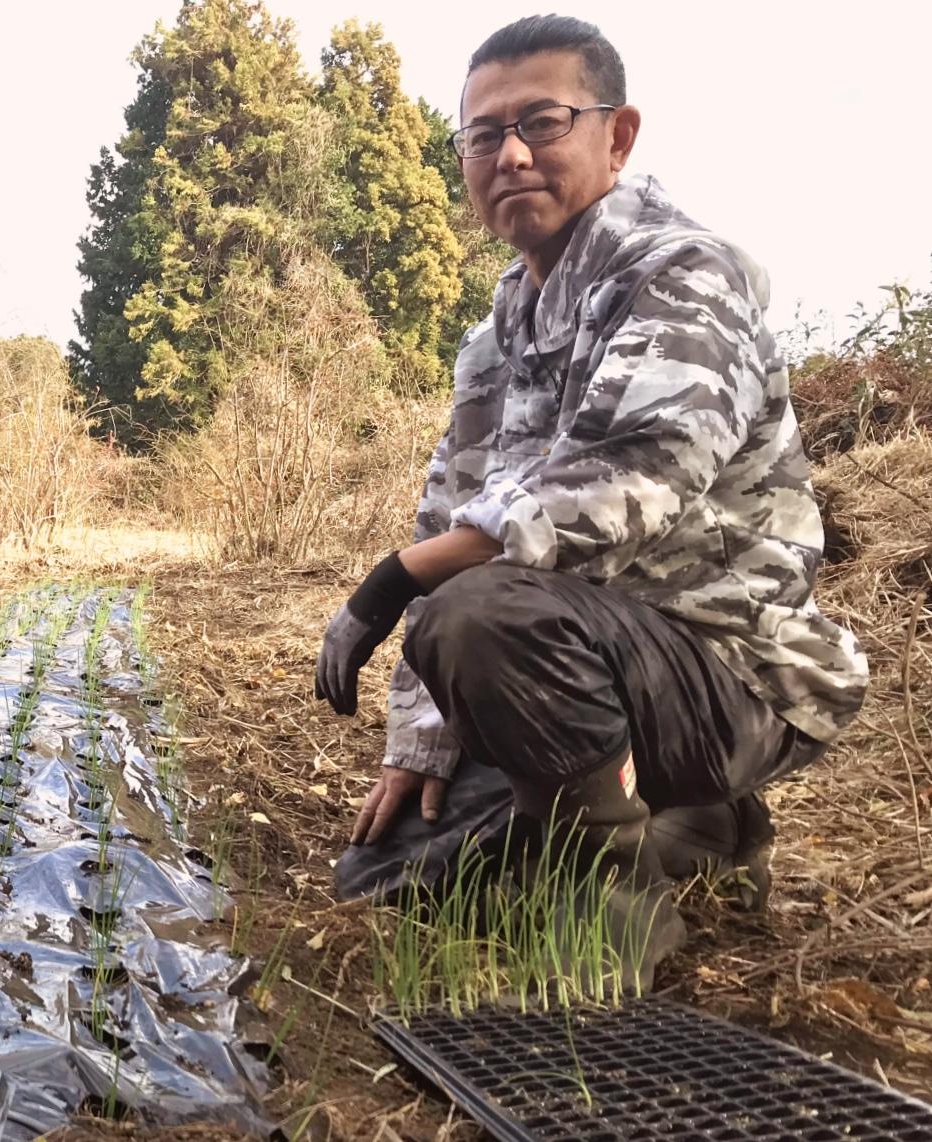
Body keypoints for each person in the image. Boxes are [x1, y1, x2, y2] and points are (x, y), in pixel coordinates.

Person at [316, 16, 866, 986]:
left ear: (617, 136)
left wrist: (395, 583)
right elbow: (452, 507)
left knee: (476, 609)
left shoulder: (685, 275)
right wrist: (424, 744)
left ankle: (605, 922)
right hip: (581, 670)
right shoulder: (497, 336)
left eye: (543, 120)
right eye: (484, 135)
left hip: (728, 671)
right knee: (382, 869)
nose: (512, 153)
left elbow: (629, 478)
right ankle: (700, 834)